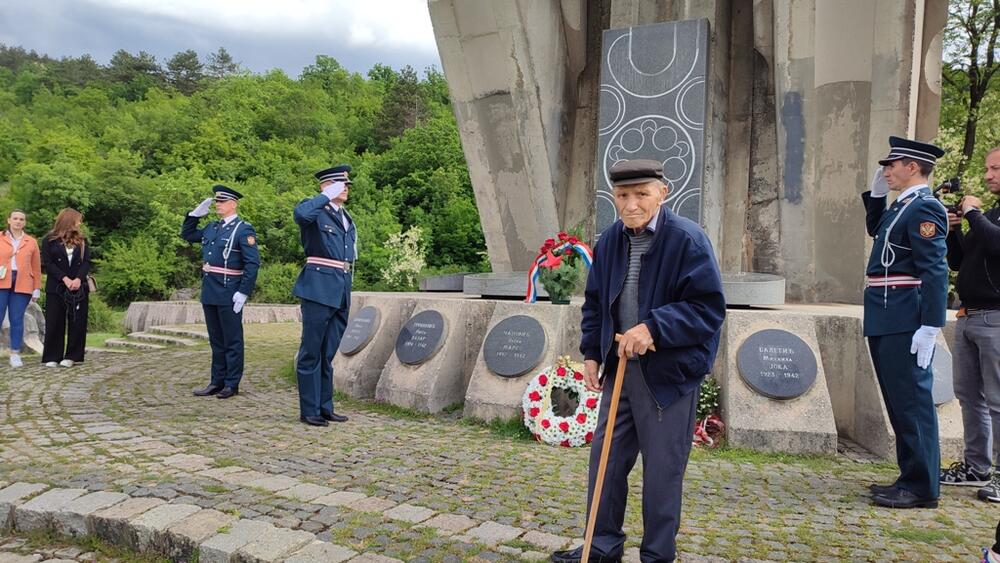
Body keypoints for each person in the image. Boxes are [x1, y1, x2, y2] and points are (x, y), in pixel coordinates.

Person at [551, 159, 726, 563]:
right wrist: (592, 353)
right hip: (620, 371)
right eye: (623, 196)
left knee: (662, 473)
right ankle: (602, 545)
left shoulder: (688, 240)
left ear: (662, 193)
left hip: (668, 378)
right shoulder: (611, 239)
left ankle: (657, 555)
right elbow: (595, 301)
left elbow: (707, 309)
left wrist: (654, 328)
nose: (631, 205)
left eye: (641, 194)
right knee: (606, 463)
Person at [862, 136, 949, 509]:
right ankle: (909, 475)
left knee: (913, 402)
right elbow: (876, 230)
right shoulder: (903, 207)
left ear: (912, 166)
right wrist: (877, 195)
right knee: (899, 402)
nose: (886, 170)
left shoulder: (924, 208)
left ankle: (922, 486)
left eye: (891, 165)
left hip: (904, 315)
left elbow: (935, 270)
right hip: (886, 312)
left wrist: (931, 325)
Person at [940, 146, 1000, 503]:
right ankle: (976, 467)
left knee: (998, 401)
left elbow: (996, 244)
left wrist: (974, 212)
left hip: (996, 320)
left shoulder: (987, 218)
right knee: (969, 397)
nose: (989, 174)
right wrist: (953, 230)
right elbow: (960, 261)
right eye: (988, 168)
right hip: (968, 316)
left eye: (996, 169)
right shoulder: (990, 214)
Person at [292, 165, 356, 427]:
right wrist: (325, 196)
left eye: (346, 185)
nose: (346, 188)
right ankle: (309, 409)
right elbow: (301, 215)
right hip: (318, 288)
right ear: (327, 186)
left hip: (340, 289)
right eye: (341, 184)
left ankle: (324, 405)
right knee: (311, 351)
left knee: (328, 352)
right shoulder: (314, 209)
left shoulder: (345, 216)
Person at [181, 185, 260, 399]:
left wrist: (243, 292)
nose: (218, 205)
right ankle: (216, 381)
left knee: (232, 340)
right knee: (216, 340)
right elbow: (187, 234)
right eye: (217, 201)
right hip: (210, 291)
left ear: (233, 204)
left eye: (222, 202)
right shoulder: (211, 228)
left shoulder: (243, 229)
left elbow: (252, 264)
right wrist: (194, 215)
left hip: (229, 290)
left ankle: (231, 383)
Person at [40, 208, 91, 367]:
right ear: (69, 220)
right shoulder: (49, 239)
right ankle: (52, 356)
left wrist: (77, 279)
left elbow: (86, 262)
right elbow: (48, 263)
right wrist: (65, 278)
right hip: (56, 286)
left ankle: (73, 356)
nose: (80, 223)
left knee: (77, 321)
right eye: (78, 219)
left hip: (78, 287)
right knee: (55, 320)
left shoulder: (82, 240)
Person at [0, 209, 42, 367]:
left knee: (17, 319)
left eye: (21, 219)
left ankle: (15, 354)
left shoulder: (31, 241)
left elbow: (36, 267)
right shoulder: (0, 238)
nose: (18, 221)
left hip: (23, 283)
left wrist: (36, 288)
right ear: (9, 220)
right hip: (2, 281)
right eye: (15, 218)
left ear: (25, 222)